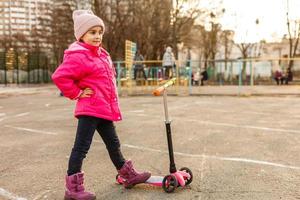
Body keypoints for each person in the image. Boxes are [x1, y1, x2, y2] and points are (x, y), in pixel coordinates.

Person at [51, 10, 151, 200]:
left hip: (103, 108)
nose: (97, 36)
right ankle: (72, 188)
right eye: (92, 32)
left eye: (99, 32)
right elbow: (60, 76)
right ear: (82, 35)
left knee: (113, 144)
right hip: (89, 109)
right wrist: (78, 93)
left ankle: (127, 175)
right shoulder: (78, 55)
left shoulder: (100, 54)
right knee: (81, 147)